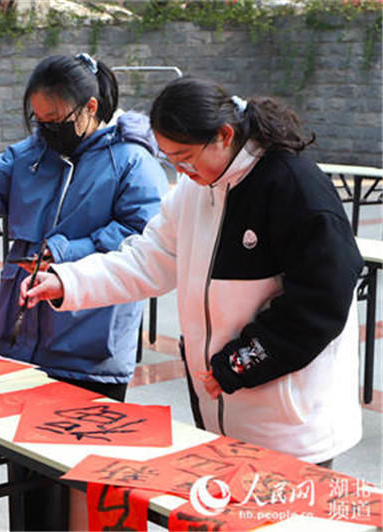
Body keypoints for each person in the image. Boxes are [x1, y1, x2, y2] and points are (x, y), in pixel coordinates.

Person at [21, 76, 364, 468]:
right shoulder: (197, 188)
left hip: (291, 428)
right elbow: (148, 257)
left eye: (185, 157)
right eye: (171, 161)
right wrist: (68, 281)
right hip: (222, 413)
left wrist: (237, 364)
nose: (182, 171)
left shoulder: (294, 187)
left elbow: (321, 304)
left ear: (223, 134)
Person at [0, 53, 167, 530]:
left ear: (89, 107)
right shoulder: (34, 152)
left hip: (89, 348)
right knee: (27, 479)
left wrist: (63, 250)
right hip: (20, 341)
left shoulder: (132, 162)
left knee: (84, 484)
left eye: (55, 120)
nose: (44, 128)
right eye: (37, 120)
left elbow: (142, 239)